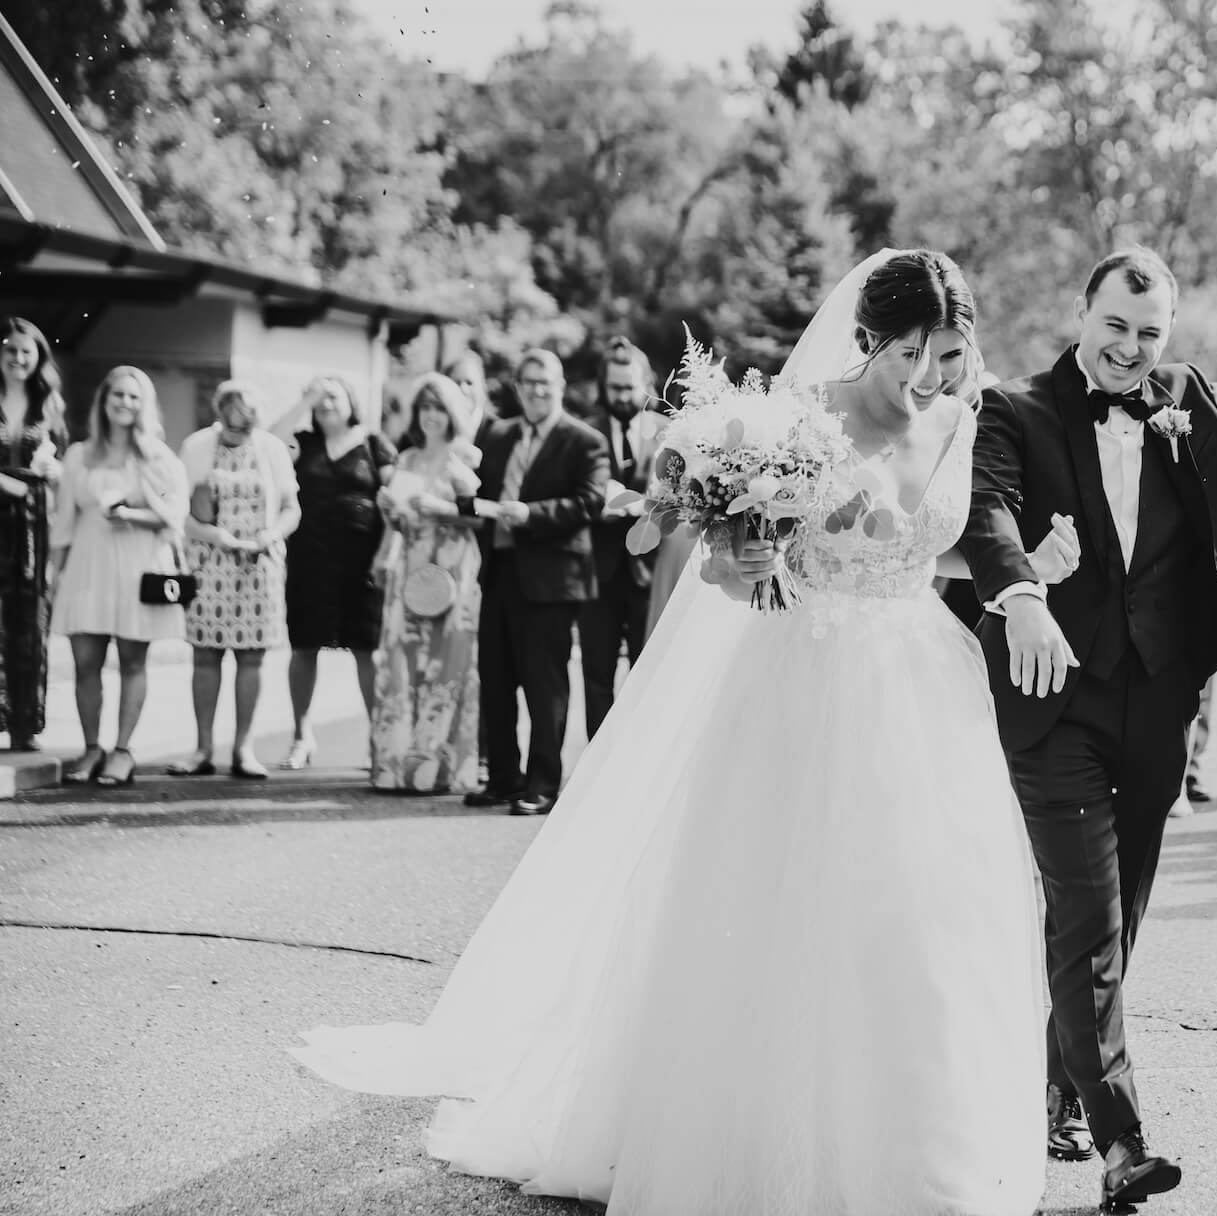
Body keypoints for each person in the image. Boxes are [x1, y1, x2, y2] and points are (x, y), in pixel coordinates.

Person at [293, 249, 1060, 1216]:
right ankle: (747, 1140)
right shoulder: (796, 420)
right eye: (906, 353)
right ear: (866, 338)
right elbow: (724, 567)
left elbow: (928, 546)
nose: (925, 377)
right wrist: (749, 562)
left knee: (917, 912)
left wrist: (1032, 571)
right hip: (806, 679)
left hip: (921, 686)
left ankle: (916, 1151)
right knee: (781, 903)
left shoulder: (959, 416)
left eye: (943, 355)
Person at [958, 182, 1217, 1209]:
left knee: (1116, 915)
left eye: (1149, 333)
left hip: (1161, 704)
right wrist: (1021, 594)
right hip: (1053, 697)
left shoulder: (1196, 404)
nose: (1131, 349)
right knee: (1088, 911)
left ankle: (1060, 1086)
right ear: (1082, 314)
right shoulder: (1015, 409)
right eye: (1115, 326)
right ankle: (1121, 1143)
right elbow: (986, 511)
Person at [462, 350, 609, 816]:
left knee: (546, 689)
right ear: (517, 388)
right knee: (496, 681)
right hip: (499, 571)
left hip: (551, 581)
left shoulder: (584, 440)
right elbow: (479, 494)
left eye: (544, 381)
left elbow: (590, 502)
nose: (536, 390)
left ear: (560, 385)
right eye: (527, 382)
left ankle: (542, 784)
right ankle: (502, 778)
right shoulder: (498, 435)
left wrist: (531, 514)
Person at [48, 366, 189, 785]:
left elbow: (174, 516)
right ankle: (91, 748)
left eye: (133, 396)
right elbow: (64, 521)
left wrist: (130, 514)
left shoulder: (157, 457)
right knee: (85, 662)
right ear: (104, 401)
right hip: (87, 565)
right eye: (118, 395)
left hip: (137, 565)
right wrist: (55, 573)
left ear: (144, 405)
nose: (125, 403)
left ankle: (123, 750)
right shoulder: (79, 455)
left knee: (131, 661)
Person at [173, 382, 301, 780]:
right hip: (208, 563)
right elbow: (178, 510)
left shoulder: (272, 449)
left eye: (244, 423)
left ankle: (244, 748)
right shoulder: (196, 447)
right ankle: (202, 748)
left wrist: (270, 536)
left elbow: (292, 509)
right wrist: (215, 536)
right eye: (230, 421)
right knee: (205, 656)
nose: (236, 429)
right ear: (219, 413)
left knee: (251, 658)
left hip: (259, 566)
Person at [369, 373, 484, 793]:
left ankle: (439, 765)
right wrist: (390, 511)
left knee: (447, 661)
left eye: (438, 407)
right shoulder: (407, 459)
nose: (431, 416)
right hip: (411, 567)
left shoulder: (465, 457)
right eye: (424, 408)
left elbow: (479, 518)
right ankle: (398, 763)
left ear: (452, 413)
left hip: (453, 567)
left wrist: (440, 507)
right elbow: (400, 524)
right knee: (403, 660)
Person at [272, 376, 395, 769]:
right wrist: (302, 401)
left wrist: (386, 554)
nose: (325, 404)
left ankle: (377, 741)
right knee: (304, 647)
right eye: (319, 398)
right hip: (310, 561)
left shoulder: (374, 444)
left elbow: (394, 501)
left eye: (333, 396)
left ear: (351, 401)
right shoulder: (302, 443)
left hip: (362, 564)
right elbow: (269, 443)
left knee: (366, 651)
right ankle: (301, 736)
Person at [580, 338, 665, 737]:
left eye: (629, 387)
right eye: (614, 388)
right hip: (597, 573)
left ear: (646, 384)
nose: (622, 396)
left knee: (647, 676)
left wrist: (638, 505)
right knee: (596, 676)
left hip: (651, 572)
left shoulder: (668, 432)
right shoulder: (586, 432)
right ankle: (596, 762)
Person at [0, 318, 66, 751]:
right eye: (10, 349)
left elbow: (62, 468)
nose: (18, 358)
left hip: (31, 524)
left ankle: (24, 725)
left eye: (27, 351)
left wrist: (53, 470)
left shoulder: (50, 405)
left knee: (29, 622)